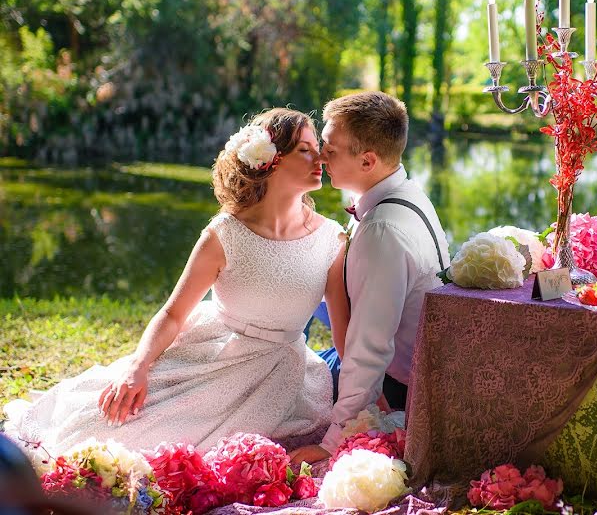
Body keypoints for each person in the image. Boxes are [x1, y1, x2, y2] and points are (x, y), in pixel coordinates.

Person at [4, 108, 349, 460]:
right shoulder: (224, 234)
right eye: (304, 149)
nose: (319, 156)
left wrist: (366, 402)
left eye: (316, 147)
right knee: (109, 426)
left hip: (281, 377)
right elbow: (172, 314)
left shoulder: (331, 240)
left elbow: (344, 337)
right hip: (211, 354)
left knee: (223, 456)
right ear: (269, 161)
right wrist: (137, 368)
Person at [289, 91, 449, 464]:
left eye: (330, 148)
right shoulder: (406, 193)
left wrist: (332, 444)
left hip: (392, 391)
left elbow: (369, 351)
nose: (320, 156)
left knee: (278, 386)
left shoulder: (383, 231)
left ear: (368, 160)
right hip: (394, 370)